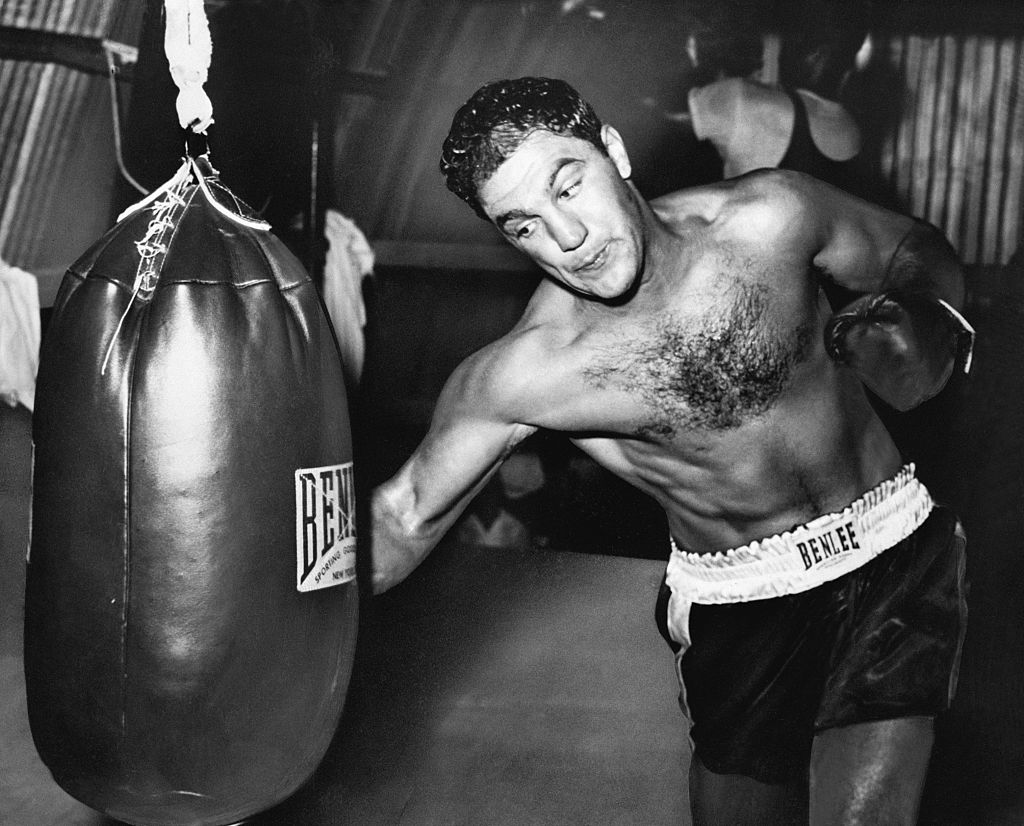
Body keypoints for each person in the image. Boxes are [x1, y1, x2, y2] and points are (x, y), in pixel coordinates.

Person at [371, 77, 972, 825]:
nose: (567, 238)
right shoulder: (530, 372)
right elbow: (401, 518)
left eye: (570, 187)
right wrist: (255, 607)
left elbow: (915, 249)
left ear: (613, 151)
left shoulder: (771, 218)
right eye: (522, 225)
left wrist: (921, 317)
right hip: (744, 601)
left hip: (893, 547)